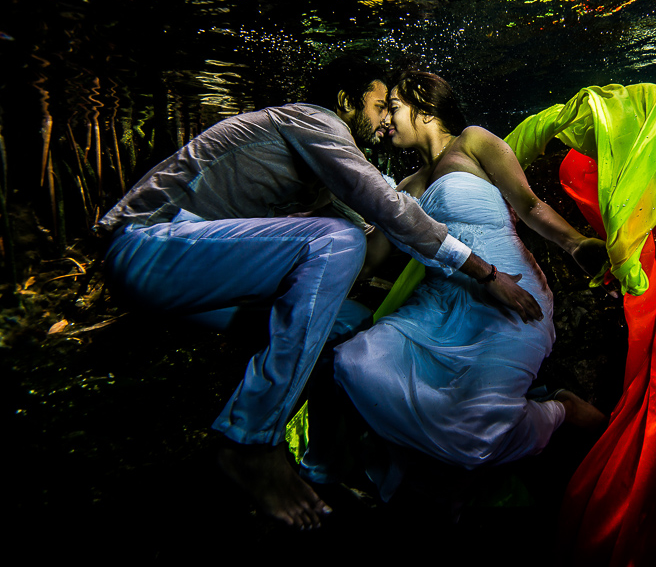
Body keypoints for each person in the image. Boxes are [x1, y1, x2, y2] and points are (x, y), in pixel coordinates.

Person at [97, 60, 544, 530]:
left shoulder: (315, 163)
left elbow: (371, 222)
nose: (383, 120)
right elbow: (380, 207)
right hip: (144, 246)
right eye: (377, 106)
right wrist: (483, 271)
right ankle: (248, 442)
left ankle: (325, 470)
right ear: (347, 103)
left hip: (189, 275)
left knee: (350, 328)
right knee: (334, 240)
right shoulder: (312, 121)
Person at [302, 71, 606, 498]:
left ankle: (558, 409)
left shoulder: (474, 142)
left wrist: (576, 245)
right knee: (355, 363)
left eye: (393, 108)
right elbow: (369, 263)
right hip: (436, 308)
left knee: (474, 434)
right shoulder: (404, 188)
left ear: (424, 107)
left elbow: (530, 206)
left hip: (511, 298)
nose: (386, 121)